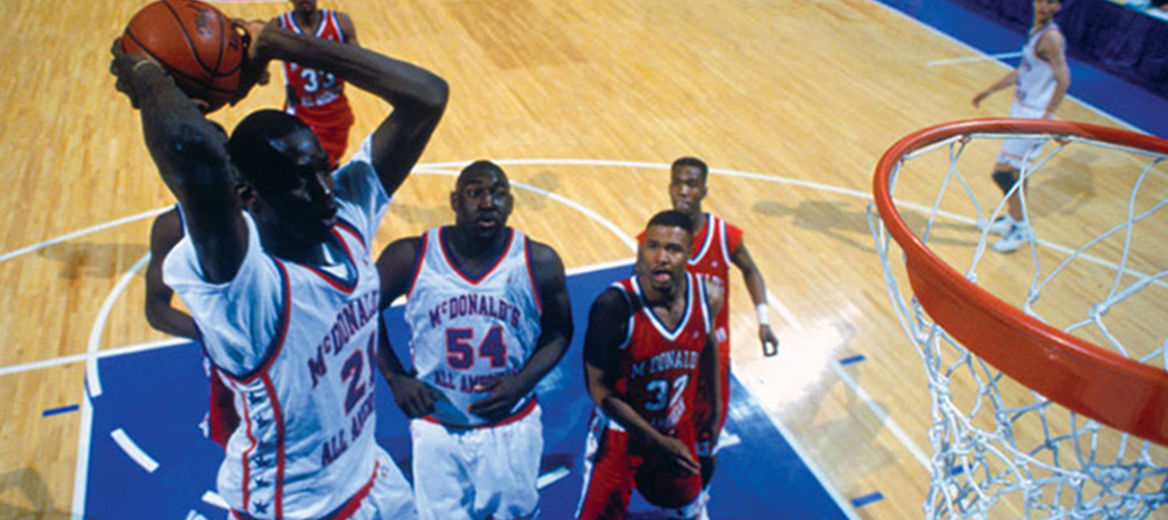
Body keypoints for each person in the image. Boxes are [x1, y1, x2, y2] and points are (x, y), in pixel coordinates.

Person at [110, 13, 448, 518]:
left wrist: (280, 44)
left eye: (323, 170)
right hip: (298, 510)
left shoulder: (343, 219)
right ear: (247, 197)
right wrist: (147, 73)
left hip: (370, 478)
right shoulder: (249, 292)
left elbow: (428, 96)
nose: (324, 191)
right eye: (299, 181)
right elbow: (192, 153)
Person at [374, 160, 574, 520]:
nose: (487, 202)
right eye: (475, 192)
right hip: (438, 426)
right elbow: (361, 313)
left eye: (498, 193)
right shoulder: (410, 256)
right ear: (455, 201)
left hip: (511, 426)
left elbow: (560, 331)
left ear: (511, 204)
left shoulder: (538, 260)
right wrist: (395, 377)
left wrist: (522, 382)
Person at [576, 210, 723, 520]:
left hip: (675, 427)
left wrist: (714, 409)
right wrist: (657, 443)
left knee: (692, 510)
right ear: (641, 249)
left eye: (673, 249)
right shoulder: (613, 306)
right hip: (621, 433)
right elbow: (599, 389)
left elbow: (709, 347)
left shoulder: (707, 295)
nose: (662, 257)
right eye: (653, 246)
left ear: (690, 253)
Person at [661, 156, 778, 489]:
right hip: (673, 350)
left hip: (714, 352)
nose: (684, 191)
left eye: (692, 184)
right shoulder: (656, 237)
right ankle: (672, 493)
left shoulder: (724, 235)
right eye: (678, 183)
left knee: (709, 430)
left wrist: (763, 320)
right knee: (667, 428)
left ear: (703, 190)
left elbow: (751, 270)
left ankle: (698, 498)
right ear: (670, 187)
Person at [972, 0, 1070, 253]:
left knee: (1002, 173)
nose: (1044, 7)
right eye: (1042, 0)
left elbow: (1064, 78)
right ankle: (1013, 218)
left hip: (1033, 117)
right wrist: (989, 90)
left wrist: (1047, 115)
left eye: (1051, 3)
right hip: (1022, 111)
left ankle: (1021, 228)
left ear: (1058, 7)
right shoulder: (1035, 30)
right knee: (1017, 172)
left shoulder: (1051, 38)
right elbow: (1023, 71)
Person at [274, 0, 358, 169]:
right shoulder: (279, 28)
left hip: (336, 112)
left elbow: (362, 65)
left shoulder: (340, 23)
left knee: (330, 166)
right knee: (307, 169)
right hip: (301, 113)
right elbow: (259, 63)